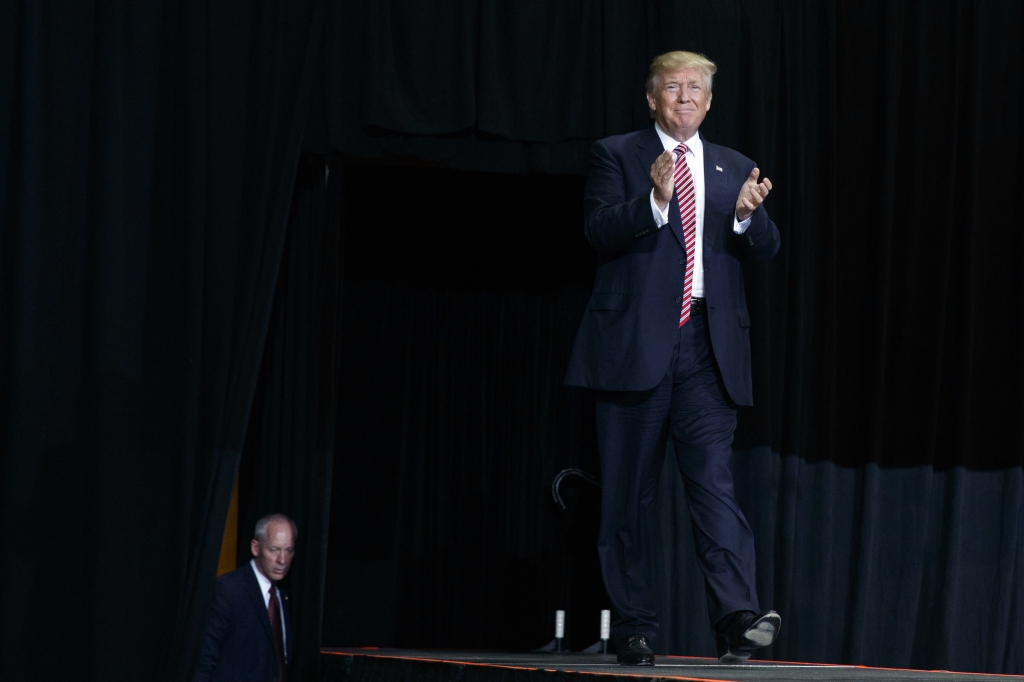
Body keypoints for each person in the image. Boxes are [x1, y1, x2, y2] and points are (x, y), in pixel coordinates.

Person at [565, 50, 781, 666]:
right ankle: (634, 625)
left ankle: (738, 619)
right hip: (634, 350)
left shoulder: (734, 166)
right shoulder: (617, 154)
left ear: (710, 102)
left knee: (714, 488)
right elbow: (599, 230)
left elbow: (767, 246)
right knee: (627, 498)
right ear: (652, 98)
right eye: (672, 88)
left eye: (695, 89)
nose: (684, 98)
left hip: (708, 354)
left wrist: (746, 216)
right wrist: (654, 204)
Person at [193, 513, 297, 682]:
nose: (283, 560)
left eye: (289, 550)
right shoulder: (228, 590)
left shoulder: (282, 595)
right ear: (255, 548)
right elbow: (204, 662)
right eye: (274, 550)